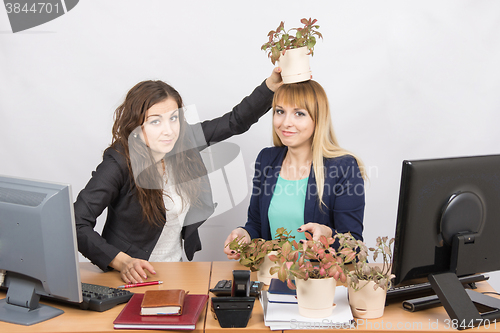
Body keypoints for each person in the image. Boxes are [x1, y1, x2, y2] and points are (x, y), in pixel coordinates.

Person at [75, 69, 283, 283]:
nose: (169, 131)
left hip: (175, 271)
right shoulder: (119, 162)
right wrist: (123, 262)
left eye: (173, 118)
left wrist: (271, 86)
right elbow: (76, 223)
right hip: (127, 279)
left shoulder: (184, 142)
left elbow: (234, 121)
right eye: (155, 121)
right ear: (135, 125)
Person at [224, 79, 366, 260]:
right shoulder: (266, 160)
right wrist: (244, 234)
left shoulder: (344, 167)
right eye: (280, 112)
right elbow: (257, 225)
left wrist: (327, 234)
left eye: (299, 113)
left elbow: (354, 245)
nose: (286, 123)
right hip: (276, 278)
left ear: (318, 118)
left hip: (322, 280)